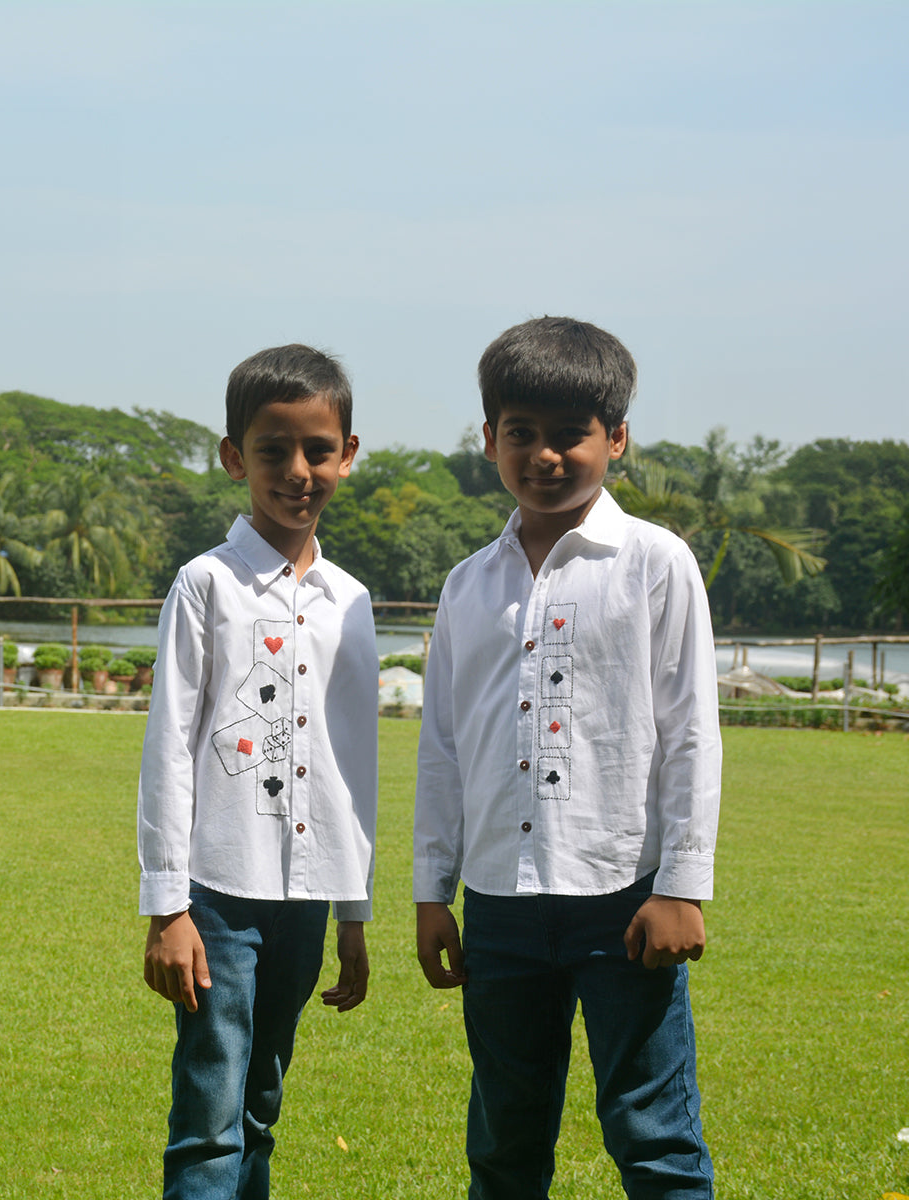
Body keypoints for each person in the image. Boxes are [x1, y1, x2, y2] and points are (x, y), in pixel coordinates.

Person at [414, 316, 721, 1199]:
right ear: (488, 439)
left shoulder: (655, 564)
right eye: (521, 433)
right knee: (506, 1137)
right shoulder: (469, 584)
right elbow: (442, 746)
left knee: (653, 1132)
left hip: (624, 895)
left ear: (616, 439)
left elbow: (692, 732)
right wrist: (433, 892)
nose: (544, 455)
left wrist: (681, 886)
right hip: (501, 904)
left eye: (570, 434)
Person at [138, 343, 378, 1200]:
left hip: (306, 901)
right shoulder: (207, 585)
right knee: (209, 1114)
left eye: (318, 450)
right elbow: (169, 744)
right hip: (219, 893)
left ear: (348, 453)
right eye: (273, 451)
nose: (298, 470)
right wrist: (168, 906)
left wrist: (353, 911)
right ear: (235, 456)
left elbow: (353, 766)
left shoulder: (350, 600)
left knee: (261, 1105)